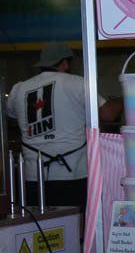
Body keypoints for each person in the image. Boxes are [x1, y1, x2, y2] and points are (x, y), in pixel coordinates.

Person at [6, 42, 121, 212]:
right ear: (65, 63)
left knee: (38, 231)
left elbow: (11, 115)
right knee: (72, 231)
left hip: (32, 177)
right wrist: (124, 98)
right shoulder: (77, 83)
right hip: (72, 175)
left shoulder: (19, 89)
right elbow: (108, 115)